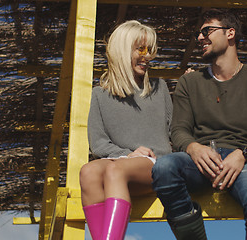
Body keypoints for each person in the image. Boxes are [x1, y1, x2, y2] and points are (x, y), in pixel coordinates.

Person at [151, 9, 247, 240]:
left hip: (245, 161)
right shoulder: (189, 81)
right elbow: (179, 130)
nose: (200, 38)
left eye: (207, 31)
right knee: (163, 168)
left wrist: (243, 154)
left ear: (230, 33)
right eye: (199, 34)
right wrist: (194, 148)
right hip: (201, 161)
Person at [80, 20, 173, 240]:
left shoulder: (160, 89)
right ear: (122, 50)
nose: (147, 55)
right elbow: (99, 143)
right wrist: (127, 155)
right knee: (88, 171)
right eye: (140, 49)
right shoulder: (99, 95)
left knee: (116, 170)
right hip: (121, 162)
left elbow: (175, 131)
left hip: (156, 164)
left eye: (150, 49)